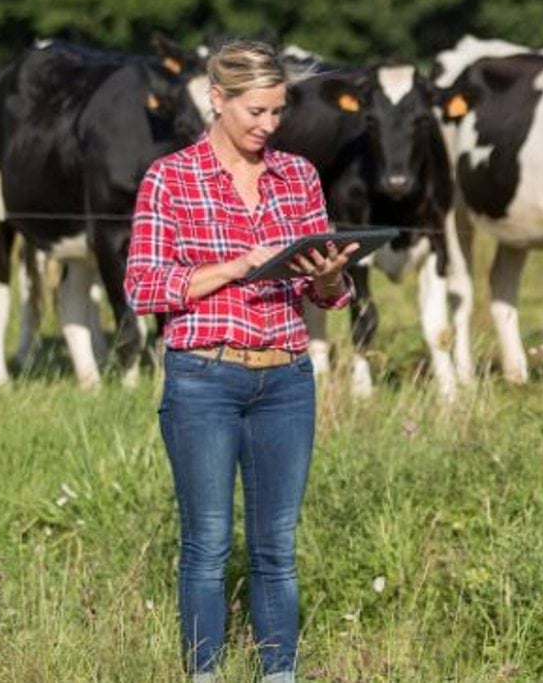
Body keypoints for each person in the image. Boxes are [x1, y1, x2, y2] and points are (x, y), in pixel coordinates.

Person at [125, 40, 357, 683]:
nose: (269, 125)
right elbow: (144, 286)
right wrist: (233, 267)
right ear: (216, 100)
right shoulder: (170, 178)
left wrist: (332, 277)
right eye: (256, 110)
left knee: (276, 548)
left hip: (286, 375)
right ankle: (204, 673)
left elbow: (329, 300)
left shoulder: (299, 177)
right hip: (204, 376)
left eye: (278, 112)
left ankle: (277, 674)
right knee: (206, 546)